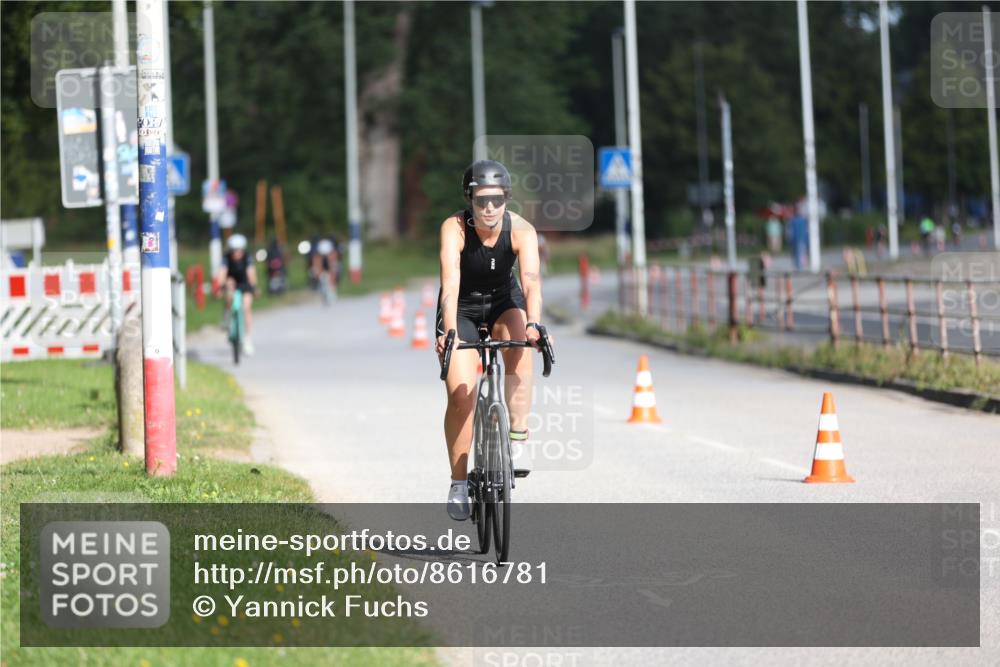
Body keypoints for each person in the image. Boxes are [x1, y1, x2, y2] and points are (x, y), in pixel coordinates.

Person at [436, 159, 545, 521]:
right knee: (460, 395)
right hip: (462, 310)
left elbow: (530, 283)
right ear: (469, 199)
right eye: (481, 200)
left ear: (506, 199)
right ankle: (458, 482)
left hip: (503, 303)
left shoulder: (522, 230)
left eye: (496, 200)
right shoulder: (454, 229)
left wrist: (535, 325)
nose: (489, 208)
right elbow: (450, 285)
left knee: (521, 346)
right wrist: (450, 331)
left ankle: (517, 437)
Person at [215, 233, 258, 355]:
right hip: (231, 282)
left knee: (246, 307)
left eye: (239, 250)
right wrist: (220, 286)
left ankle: (247, 339)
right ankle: (227, 318)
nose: (236, 253)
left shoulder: (248, 258)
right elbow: (222, 273)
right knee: (229, 296)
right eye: (234, 251)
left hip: (244, 283)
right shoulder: (226, 258)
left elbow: (251, 274)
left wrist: (253, 286)